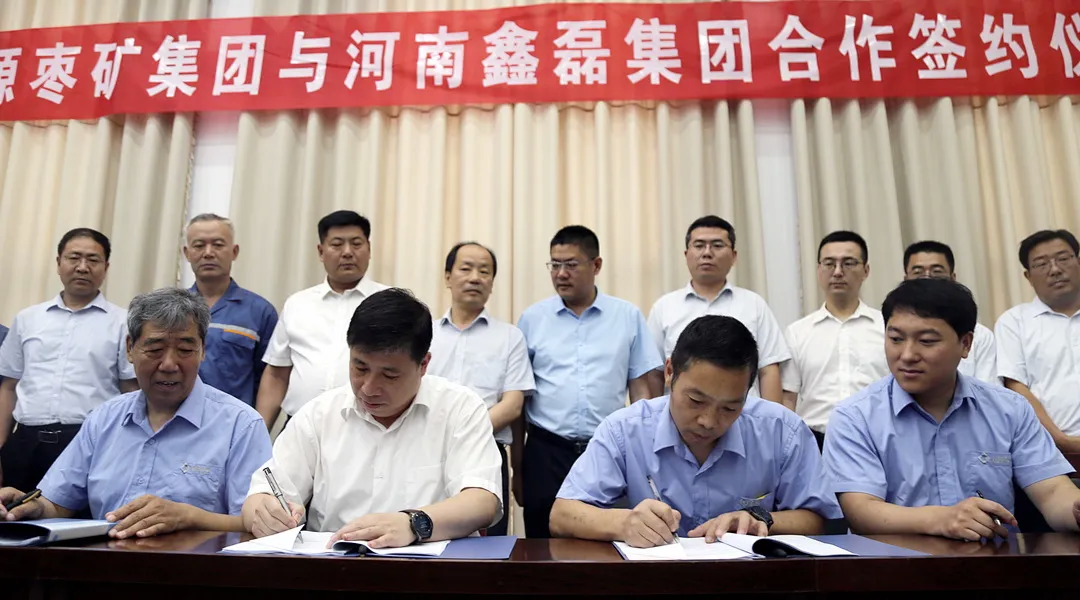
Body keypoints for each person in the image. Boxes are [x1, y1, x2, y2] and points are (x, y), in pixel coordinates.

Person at [0, 288, 272, 539]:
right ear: (130, 349)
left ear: (203, 350)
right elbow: (59, 503)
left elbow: (255, 524)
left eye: (185, 350)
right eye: (154, 350)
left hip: (198, 570)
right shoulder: (104, 419)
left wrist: (189, 517)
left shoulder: (241, 425)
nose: (169, 364)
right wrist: (31, 507)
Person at [243, 289, 502, 547]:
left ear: (423, 364)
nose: (368, 388)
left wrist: (413, 523)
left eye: (389, 375)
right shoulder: (318, 415)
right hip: (336, 565)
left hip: (432, 567)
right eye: (360, 368)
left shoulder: (460, 409)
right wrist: (264, 513)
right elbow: (258, 498)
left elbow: (482, 501)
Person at [823, 279, 1080, 539]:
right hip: (894, 562)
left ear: (966, 344)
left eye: (926, 341)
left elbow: (1052, 492)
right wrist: (942, 519)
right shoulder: (855, 417)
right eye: (896, 339)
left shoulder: (1009, 410)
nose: (907, 355)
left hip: (994, 560)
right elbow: (860, 511)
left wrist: (1075, 509)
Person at [550, 316, 839, 547]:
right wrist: (624, 523)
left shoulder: (782, 431)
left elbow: (818, 519)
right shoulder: (625, 430)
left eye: (730, 408)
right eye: (696, 401)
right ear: (669, 372)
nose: (708, 421)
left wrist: (760, 518)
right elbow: (562, 516)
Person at [517, 225, 664, 538]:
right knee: (541, 543)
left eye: (571, 264)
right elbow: (520, 396)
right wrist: (518, 468)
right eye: (555, 264)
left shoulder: (626, 316)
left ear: (596, 265)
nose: (561, 273)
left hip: (606, 448)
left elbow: (642, 390)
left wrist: (645, 456)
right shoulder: (532, 319)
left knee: (604, 539)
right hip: (546, 450)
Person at [0, 228, 137, 491]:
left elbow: (130, 391)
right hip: (25, 444)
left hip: (89, 443)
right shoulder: (28, 319)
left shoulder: (124, 323)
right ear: (58, 263)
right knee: (13, 512)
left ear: (106, 267)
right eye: (74, 258)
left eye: (93, 260)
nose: (82, 267)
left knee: (80, 516)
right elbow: (8, 388)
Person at [428, 242, 535, 536]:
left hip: (487, 452)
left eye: (484, 271)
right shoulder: (425, 334)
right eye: (466, 269)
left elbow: (513, 405)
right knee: (426, 536)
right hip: (427, 452)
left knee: (488, 547)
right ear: (448, 276)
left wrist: (465, 434)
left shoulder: (510, 337)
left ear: (492, 282)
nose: (475, 277)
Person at [256, 210, 388, 428]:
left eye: (356, 244)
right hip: (300, 425)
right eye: (337, 244)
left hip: (365, 426)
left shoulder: (390, 303)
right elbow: (277, 374)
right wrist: (260, 432)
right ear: (320, 251)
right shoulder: (297, 304)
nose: (347, 252)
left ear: (369, 249)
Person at [648, 216, 789, 403]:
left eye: (717, 245)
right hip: (682, 415)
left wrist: (771, 418)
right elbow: (655, 373)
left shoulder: (754, 304)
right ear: (686, 254)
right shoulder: (664, 307)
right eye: (699, 245)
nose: (707, 253)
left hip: (744, 412)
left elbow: (768, 369)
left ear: (734, 256)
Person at [782, 231, 888, 449]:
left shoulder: (887, 327)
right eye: (829, 264)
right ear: (819, 270)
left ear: (866, 270)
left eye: (848, 263)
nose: (838, 272)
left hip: (878, 440)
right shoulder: (798, 332)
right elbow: (788, 399)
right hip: (815, 443)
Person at [995, 229, 1080, 453]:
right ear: (1028, 276)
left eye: (1063, 259)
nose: (1055, 270)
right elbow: (1015, 387)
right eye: (1041, 264)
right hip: (1051, 454)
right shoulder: (1014, 322)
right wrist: (1062, 441)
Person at [183, 213, 278, 406]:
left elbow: (271, 379)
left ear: (234, 252)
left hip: (233, 420)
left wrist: (258, 422)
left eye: (218, 245)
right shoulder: (171, 308)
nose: (208, 253)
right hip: (176, 418)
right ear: (187, 253)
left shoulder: (260, 312)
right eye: (199, 245)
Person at [903, 240, 997, 384]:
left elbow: (987, 391)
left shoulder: (980, 336)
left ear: (953, 279)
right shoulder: (891, 333)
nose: (927, 279)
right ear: (905, 280)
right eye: (918, 273)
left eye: (937, 272)